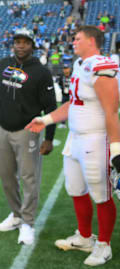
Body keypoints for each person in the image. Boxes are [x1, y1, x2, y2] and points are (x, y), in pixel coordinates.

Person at [27, 25, 120, 266]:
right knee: (76, 190)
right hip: (75, 138)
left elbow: (111, 111)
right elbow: (72, 104)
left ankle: (104, 246)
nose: (73, 42)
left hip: (96, 139)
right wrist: (46, 119)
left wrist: (117, 151)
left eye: (78, 38)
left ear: (92, 40)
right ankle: (85, 238)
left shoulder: (102, 65)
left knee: (101, 195)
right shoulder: (80, 65)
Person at [0, 28, 57, 245]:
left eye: (25, 42)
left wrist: (49, 138)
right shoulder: (3, 63)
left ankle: (28, 223)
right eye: (17, 42)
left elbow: (50, 106)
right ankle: (16, 215)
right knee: (7, 178)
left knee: (29, 178)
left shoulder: (41, 72)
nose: (21, 46)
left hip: (28, 131)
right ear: (13, 44)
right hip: (3, 130)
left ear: (32, 45)